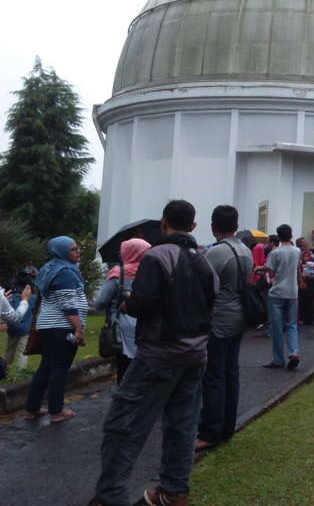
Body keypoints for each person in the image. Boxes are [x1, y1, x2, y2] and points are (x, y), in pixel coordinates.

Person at [90, 200, 218, 506]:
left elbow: (142, 302)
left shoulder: (157, 255)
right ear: (194, 226)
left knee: (123, 424)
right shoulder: (206, 262)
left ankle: (110, 496)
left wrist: (126, 304)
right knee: (182, 424)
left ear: (163, 223)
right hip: (195, 354)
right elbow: (209, 303)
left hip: (159, 354)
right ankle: (174, 491)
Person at [196, 205, 252, 452]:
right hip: (239, 315)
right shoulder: (245, 250)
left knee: (214, 375)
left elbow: (202, 285)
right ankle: (227, 426)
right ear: (236, 226)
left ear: (213, 226)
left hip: (220, 318)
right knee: (231, 372)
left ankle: (210, 431)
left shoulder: (217, 252)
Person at [24, 236, 87, 423]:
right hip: (62, 327)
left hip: (50, 326)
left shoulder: (51, 268)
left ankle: (32, 408)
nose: (78, 252)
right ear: (62, 252)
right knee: (59, 368)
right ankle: (56, 411)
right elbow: (67, 303)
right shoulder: (64, 272)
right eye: (73, 249)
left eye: (77, 248)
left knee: (46, 367)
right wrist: (78, 328)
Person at [94, 239, 151, 384]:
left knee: (125, 367)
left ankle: (124, 401)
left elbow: (100, 302)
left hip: (123, 326)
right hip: (148, 325)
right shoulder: (151, 272)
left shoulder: (119, 273)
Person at [262, 224, 302, 370]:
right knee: (292, 325)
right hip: (292, 292)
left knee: (277, 327)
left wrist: (260, 268)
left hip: (277, 292)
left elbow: (271, 271)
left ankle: (278, 359)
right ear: (291, 235)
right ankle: (294, 352)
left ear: (278, 237)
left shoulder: (275, 253)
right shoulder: (297, 251)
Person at [3, 271, 36, 371]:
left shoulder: (11, 298)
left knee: (9, 350)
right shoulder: (33, 298)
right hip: (26, 329)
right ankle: (21, 372)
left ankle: (4, 370)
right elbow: (34, 311)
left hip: (13, 328)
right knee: (22, 352)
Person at [298, 248, 314, 326]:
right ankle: (302, 318)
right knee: (302, 302)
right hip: (303, 285)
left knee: (310, 302)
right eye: (304, 256)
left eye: (307, 256)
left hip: (311, 285)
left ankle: (309, 319)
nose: (305, 258)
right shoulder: (300, 265)